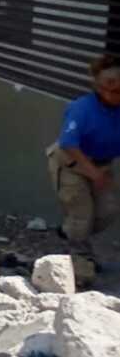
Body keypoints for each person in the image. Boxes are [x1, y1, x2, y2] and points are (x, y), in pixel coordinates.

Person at [48, 54, 120, 282]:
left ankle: (69, 233)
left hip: (103, 164)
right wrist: (93, 173)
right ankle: (78, 266)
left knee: (108, 211)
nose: (114, 90)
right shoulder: (82, 108)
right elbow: (68, 143)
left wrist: (100, 173)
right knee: (81, 214)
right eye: (108, 84)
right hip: (72, 163)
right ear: (97, 85)